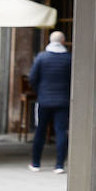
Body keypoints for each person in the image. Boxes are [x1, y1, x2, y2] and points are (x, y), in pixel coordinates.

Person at [28, 31, 72, 174]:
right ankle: (59, 165)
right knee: (61, 132)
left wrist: (39, 90)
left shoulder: (42, 57)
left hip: (44, 100)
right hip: (63, 101)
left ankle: (36, 163)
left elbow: (32, 78)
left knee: (40, 131)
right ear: (63, 41)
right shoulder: (69, 58)